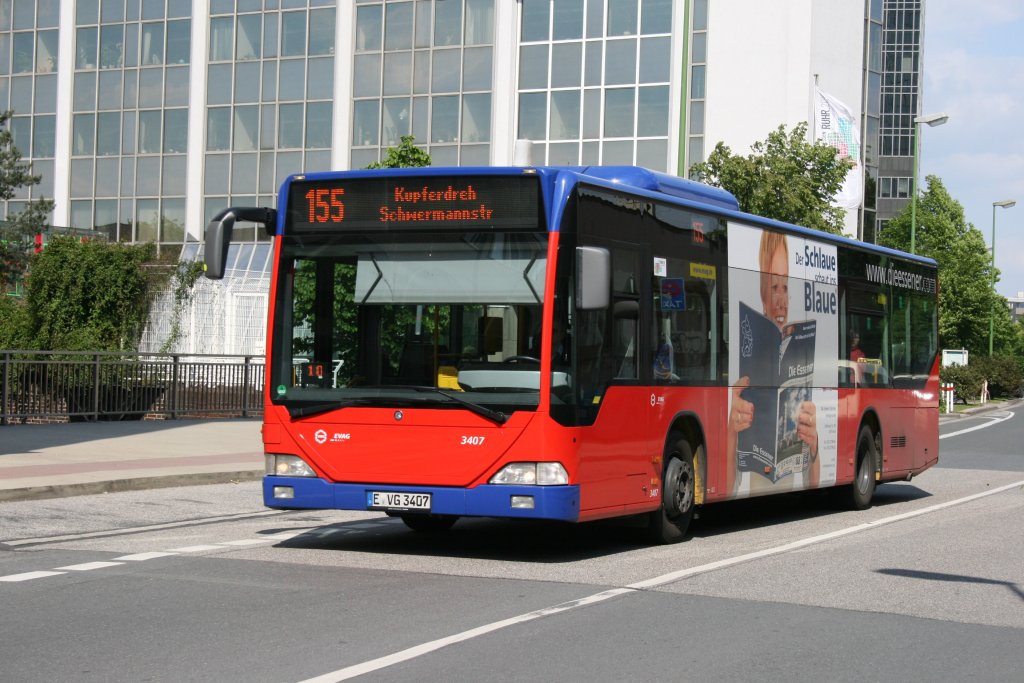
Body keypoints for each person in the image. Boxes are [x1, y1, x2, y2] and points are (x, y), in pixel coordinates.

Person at [726, 230, 819, 495]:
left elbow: (813, 486)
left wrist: (813, 446)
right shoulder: (740, 370)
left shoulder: (801, 359)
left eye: (785, 286)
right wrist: (732, 432)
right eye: (773, 287)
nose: (780, 301)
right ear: (763, 293)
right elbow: (726, 488)